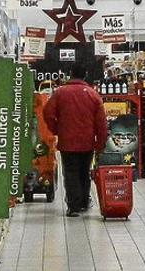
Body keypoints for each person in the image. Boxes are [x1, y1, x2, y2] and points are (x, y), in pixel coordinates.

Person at [43, 64, 108, 217]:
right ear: (85, 75)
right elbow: (101, 123)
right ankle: (84, 201)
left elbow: (48, 113)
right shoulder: (93, 95)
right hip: (87, 142)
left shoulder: (59, 93)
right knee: (84, 172)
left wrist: (57, 129)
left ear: (70, 74)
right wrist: (101, 143)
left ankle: (73, 206)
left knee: (71, 173)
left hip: (67, 141)